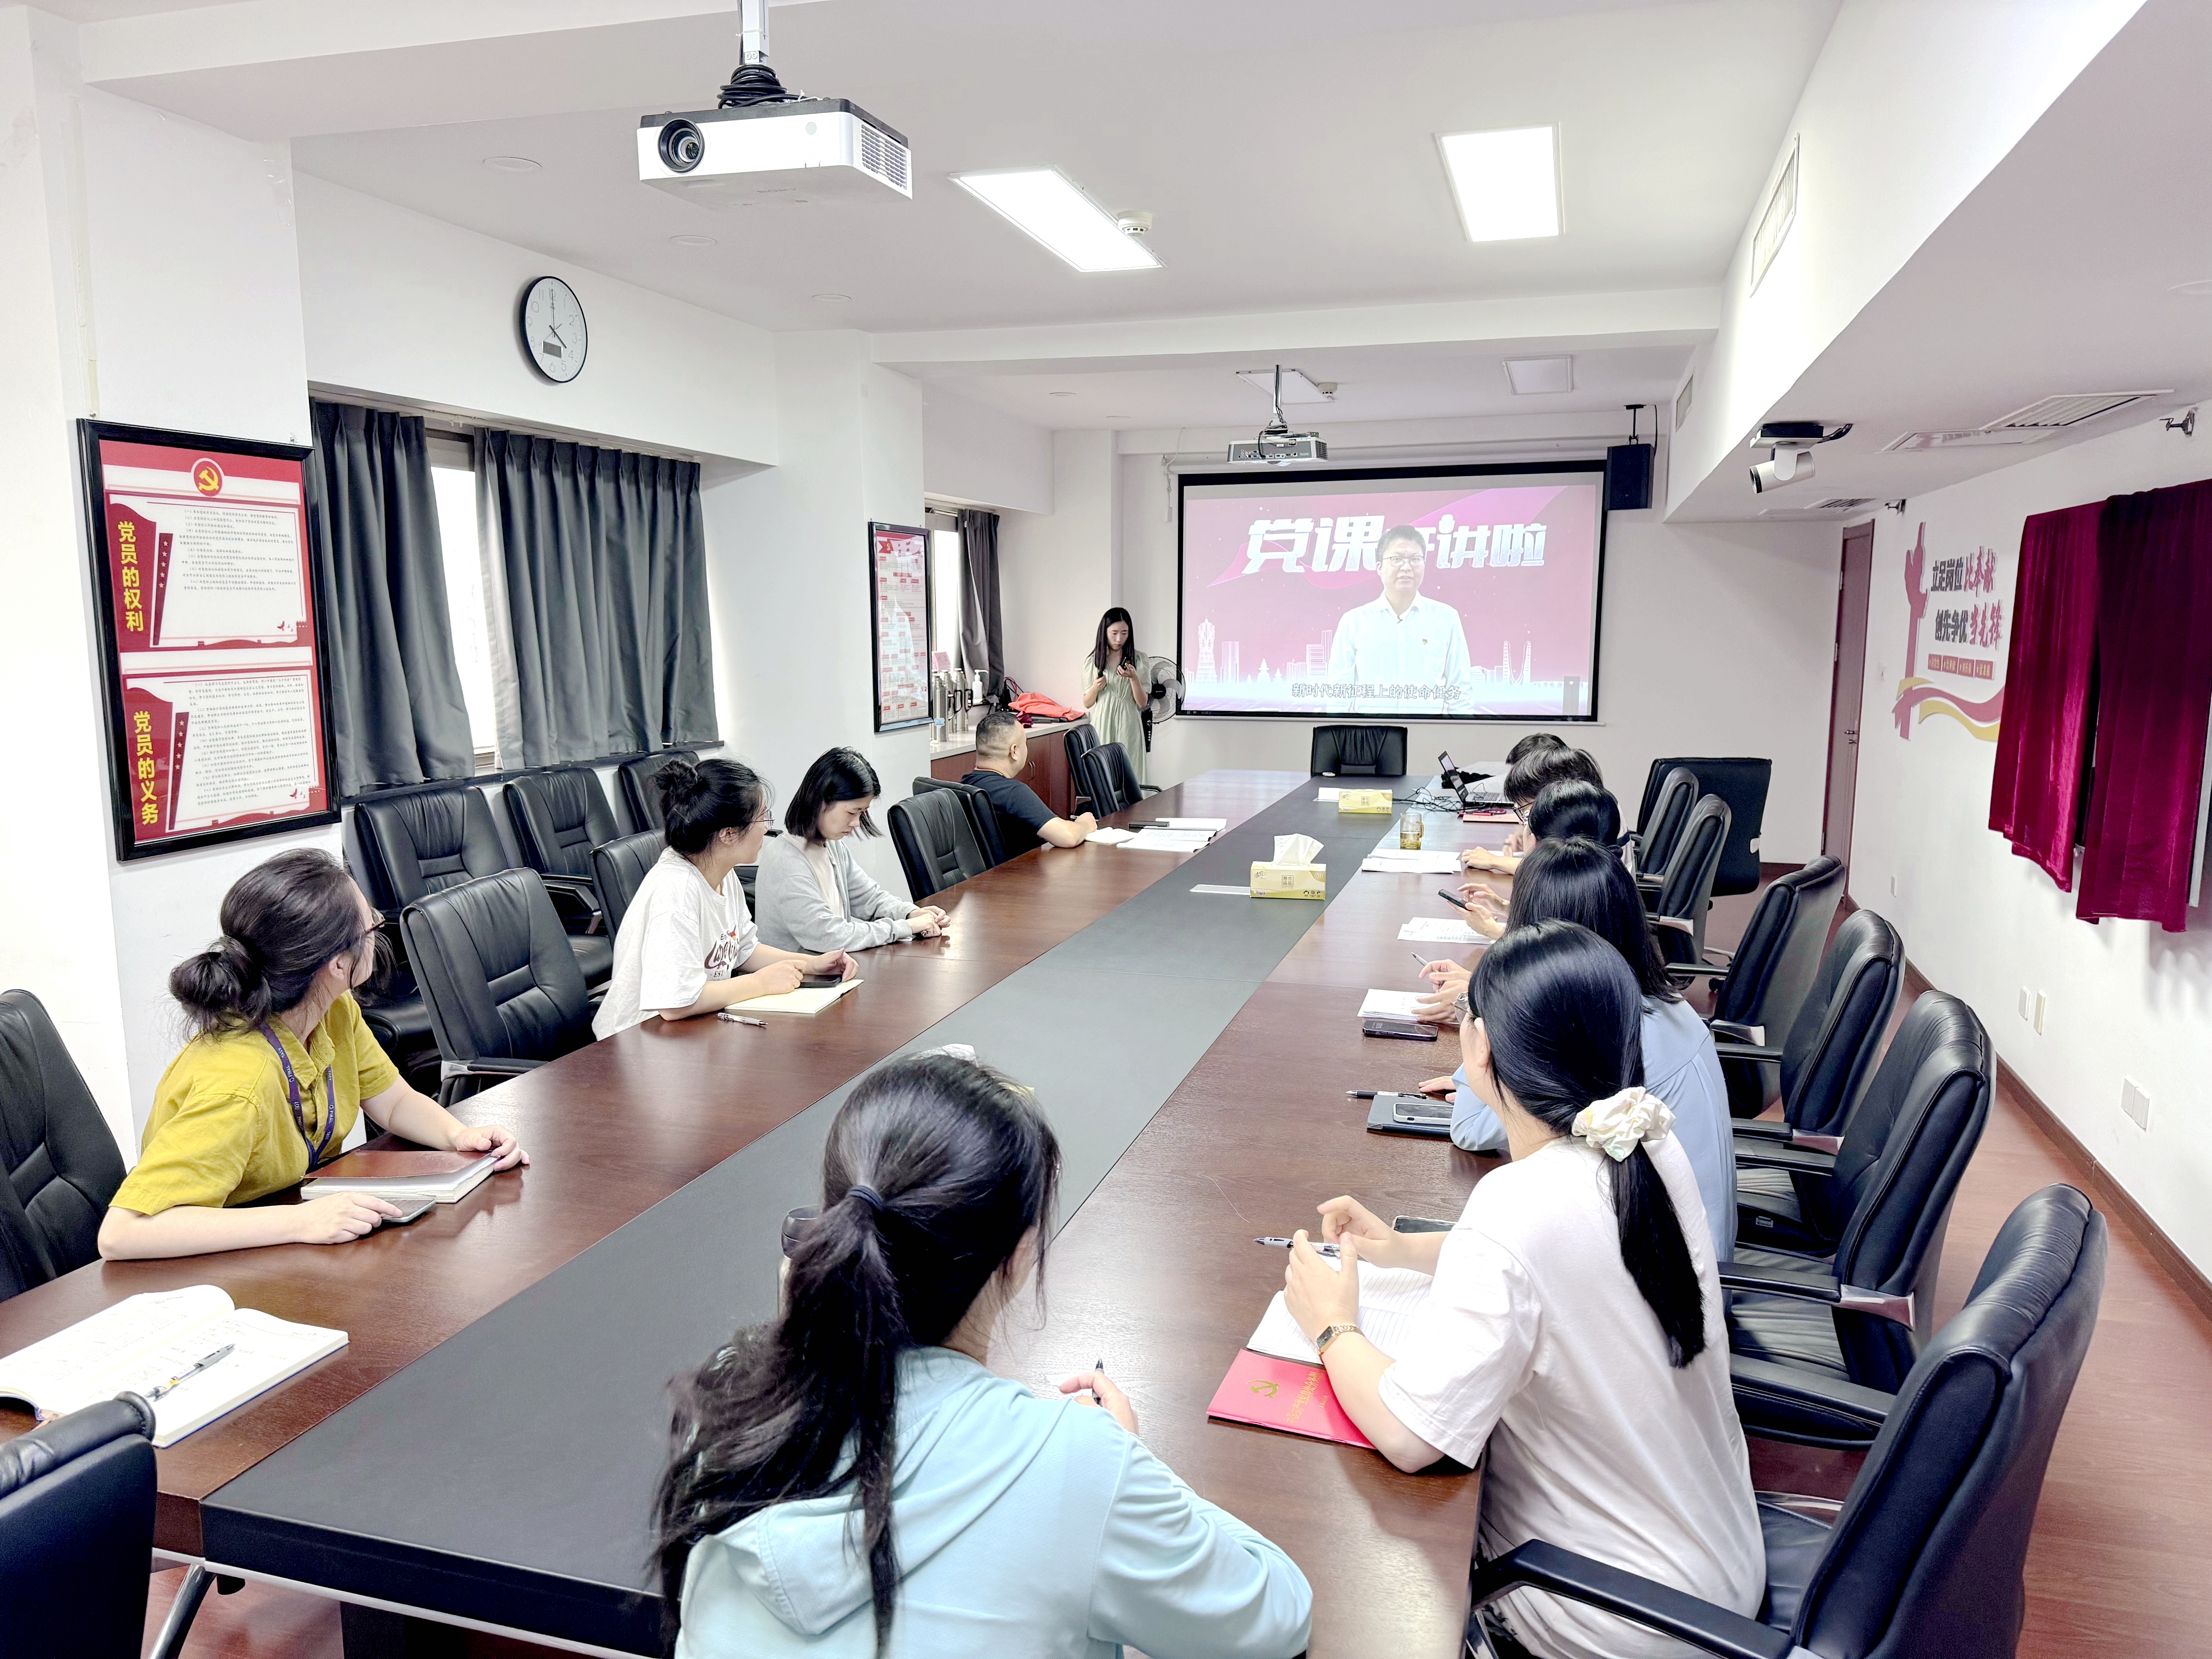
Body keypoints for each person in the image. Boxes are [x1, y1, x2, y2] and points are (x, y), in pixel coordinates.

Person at [656, 1052, 1313, 1658]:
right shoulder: (1074, 1462)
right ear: (1022, 1253)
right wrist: (1126, 1463)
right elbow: (1274, 1618)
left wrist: (799, 1333)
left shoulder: (729, 1407)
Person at [1281, 922, 1759, 1659]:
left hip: (1615, 1615)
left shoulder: (1517, 1205)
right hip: (1715, 1570)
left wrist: (1332, 1324)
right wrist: (1408, 1249)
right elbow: (1566, 1256)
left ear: (1482, 1050)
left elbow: (1413, 1437)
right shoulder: (1643, 1144)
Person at [97, 849, 526, 1260]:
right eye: (372, 928)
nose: (378, 932)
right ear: (339, 964)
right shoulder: (237, 1084)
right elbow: (123, 1234)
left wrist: (458, 1137)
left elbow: (391, 1101)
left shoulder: (333, 1010)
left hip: (286, 1237)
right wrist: (300, 1222)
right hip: (222, 1257)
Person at [1414, 840, 1735, 1260]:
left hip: (1670, 1287)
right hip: (1694, 1253)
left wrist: (1485, 1019)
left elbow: (1473, 1130)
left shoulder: (1600, 1031)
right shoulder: (1655, 1005)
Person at [594, 759, 855, 1040]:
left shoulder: (722, 873)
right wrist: (759, 983)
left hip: (689, 1031)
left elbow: (743, 949)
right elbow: (675, 1003)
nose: (768, 829)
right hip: (637, 1041)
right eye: (763, 818)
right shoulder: (676, 891)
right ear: (728, 834)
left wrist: (810, 965)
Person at [755, 749, 951, 954]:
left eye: (861, 813)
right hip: (798, 981)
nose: (857, 823)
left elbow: (868, 898)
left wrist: (911, 914)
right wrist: (904, 928)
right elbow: (829, 936)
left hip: (829, 974)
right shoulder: (786, 861)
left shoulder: (832, 846)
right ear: (821, 802)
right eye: (852, 812)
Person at [1443, 778, 1628, 943]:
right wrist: (1505, 907)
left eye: (1526, 819)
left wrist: (1493, 931)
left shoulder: (1566, 884)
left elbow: (1551, 959)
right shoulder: (1601, 875)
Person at [1323, 524, 1473, 715]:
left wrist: (1459, 734)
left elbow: (1460, 690)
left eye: (1415, 560)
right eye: (1397, 559)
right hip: (1372, 736)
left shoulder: (1446, 618)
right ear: (1379, 567)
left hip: (1430, 734)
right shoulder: (1354, 621)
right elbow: (1339, 694)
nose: (1406, 567)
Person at [961, 709, 1098, 855]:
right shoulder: (1012, 793)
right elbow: (1068, 837)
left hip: (991, 875)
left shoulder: (963, 786)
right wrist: (1084, 824)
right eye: (1025, 743)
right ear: (1014, 752)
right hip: (1019, 874)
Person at [1462, 745, 1604, 875]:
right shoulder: (1596, 810)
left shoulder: (1594, 834)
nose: (1521, 821)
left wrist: (1494, 861)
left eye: (1526, 811)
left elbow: (1555, 873)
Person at [1081, 607, 1152, 788]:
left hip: (1129, 724)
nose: (1119, 639)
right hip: (1103, 722)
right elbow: (1088, 703)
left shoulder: (1139, 660)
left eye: (1124, 633)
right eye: (1114, 633)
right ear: (1105, 632)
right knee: (1103, 776)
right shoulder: (1095, 661)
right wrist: (1096, 688)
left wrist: (1134, 678)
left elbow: (1142, 703)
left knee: (1130, 773)